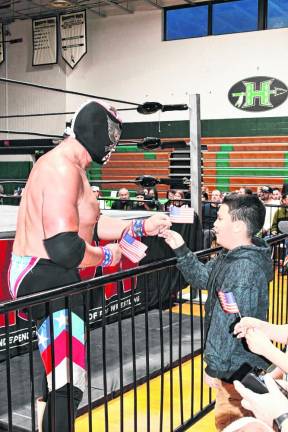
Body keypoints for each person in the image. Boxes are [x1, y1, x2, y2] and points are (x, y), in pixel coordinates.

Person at [9, 100, 171, 432]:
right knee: (70, 379)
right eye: (109, 133)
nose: (111, 143)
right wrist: (106, 256)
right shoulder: (61, 169)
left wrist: (139, 226)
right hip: (44, 272)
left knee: (59, 377)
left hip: (51, 273)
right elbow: (65, 247)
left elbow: (90, 225)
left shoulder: (74, 169)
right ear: (93, 128)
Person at [160, 193, 273, 431]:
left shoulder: (243, 269)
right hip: (235, 366)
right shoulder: (231, 257)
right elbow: (203, 278)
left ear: (238, 226)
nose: (215, 224)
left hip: (235, 369)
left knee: (231, 422)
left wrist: (215, 367)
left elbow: (228, 323)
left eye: (220, 218)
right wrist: (181, 249)